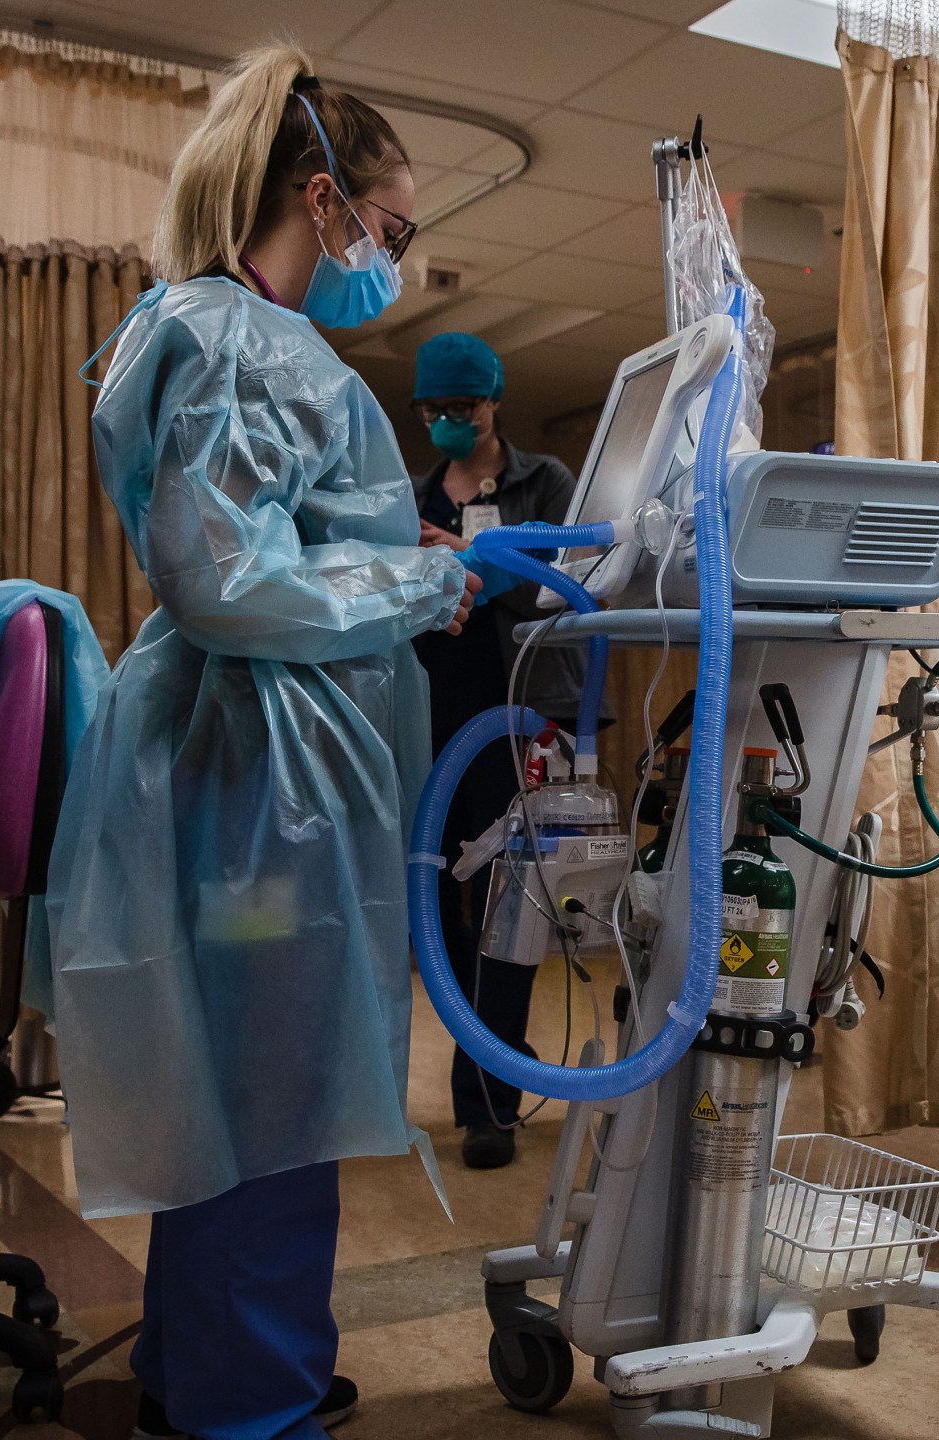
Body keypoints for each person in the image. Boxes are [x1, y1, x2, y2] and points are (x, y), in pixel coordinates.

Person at [44, 43, 479, 1440]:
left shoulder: (206, 330)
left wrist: (379, 538)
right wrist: (430, 578)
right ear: (321, 194)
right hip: (264, 788)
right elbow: (225, 579)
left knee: (226, 1089)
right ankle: (252, 1400)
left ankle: (208, 1367)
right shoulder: (250, 341)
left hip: (237, 771)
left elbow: (253, 538)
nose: (392, 264)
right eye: (391, 233)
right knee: (275, 1099)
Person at [405, 331, 601, 1170]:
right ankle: (468, 1087)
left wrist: (465, 560)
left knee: (506, 910)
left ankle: (490, 1106)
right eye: (437, 411)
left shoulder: (542, 482)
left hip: (517, 718)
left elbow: (557, 580)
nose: (452, 421)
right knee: (436, 902)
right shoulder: (410, 497)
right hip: (429, 720)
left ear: (494, 402)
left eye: (466, 408)